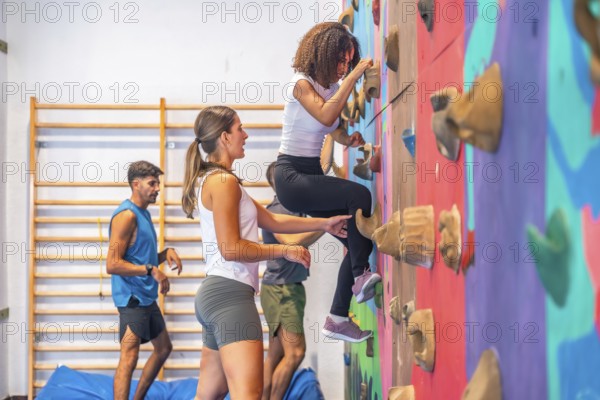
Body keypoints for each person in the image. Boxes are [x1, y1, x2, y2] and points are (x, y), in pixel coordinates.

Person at [181, 106, 351, 400]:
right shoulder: (223, 182)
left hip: (214, 295)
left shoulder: (218, 180)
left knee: (210, 393)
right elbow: (232, 248)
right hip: (230, 297)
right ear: (224, 137)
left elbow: (272, 220)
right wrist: (285, 250)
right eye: (239, 129)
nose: (245, 135)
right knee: (249, 394)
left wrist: (324, 222)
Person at [274, 22, 382, 343]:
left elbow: (330, 126)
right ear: (322, 54)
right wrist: (355, 74)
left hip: (310, 175)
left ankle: (337, 318)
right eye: (340, 61)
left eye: (348, 63)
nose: (343, 68)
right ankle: (362, 277)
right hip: (292, 177)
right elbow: (323, 115)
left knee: (357, 236)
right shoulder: (300, 85)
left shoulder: (332, 89)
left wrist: (348, 139)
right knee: (359, 195)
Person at [106, 160, 183, 400]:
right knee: (129, 356)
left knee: (163, 349)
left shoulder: (143, 214)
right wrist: (151, 270)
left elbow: (139, 258)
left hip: (146, 298)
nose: (157, 188)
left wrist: (163, 254)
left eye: (158, 183)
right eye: (152, 183)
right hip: (131, 299)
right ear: (135, 184)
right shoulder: (126, 216)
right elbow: (113, 264)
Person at [261, 162, 325, 400]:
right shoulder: (280, 208)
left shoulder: (292, 207)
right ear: (278, 184)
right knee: (296, 353)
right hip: (282, 291)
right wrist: (327, 223)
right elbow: (292, 243)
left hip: (282, 288)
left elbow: (320, 167)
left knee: (275, 357)